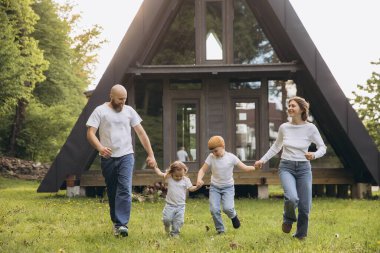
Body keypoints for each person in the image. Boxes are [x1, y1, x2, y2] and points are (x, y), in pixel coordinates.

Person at [86, 84, 157, 237]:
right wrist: (100, 147)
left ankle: (122, 224)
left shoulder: (129, 111)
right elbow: (90, 133)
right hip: (107, 157)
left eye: (125, 99)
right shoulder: (100, 110)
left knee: (124, 188)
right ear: (111, 96)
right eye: (120, 99)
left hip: (126, 155)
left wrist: (150, 154)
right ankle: (116, 222)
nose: (123, 102)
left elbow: (141, 133)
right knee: (112, 190)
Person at [254, 96, 326, 240]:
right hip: (286, 166)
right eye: (289, 105)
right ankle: (288, 219)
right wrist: (262, 160)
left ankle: (300, 236)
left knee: (305, 207)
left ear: (301, 109)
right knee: (292, 198)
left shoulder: (310, 128)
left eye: (293, 106)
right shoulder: (284, 127)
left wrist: (314, 155)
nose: (290, 108)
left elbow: (322, 147)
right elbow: (276, 147)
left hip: (304, 168)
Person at [196, 136, 256, 234]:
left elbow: (245, 168)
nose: (214, 153)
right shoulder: (211, 157)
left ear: (223, 146)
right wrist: (199, 179)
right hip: (215, 187)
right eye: (212, 151)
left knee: (227, 208)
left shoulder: (231, 157)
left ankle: (233, 216)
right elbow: (202, 170)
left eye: (216, 151)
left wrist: (255, 168)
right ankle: (220, 230)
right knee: (214, 210)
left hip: (228, 187)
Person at [152, 161, 201, 237]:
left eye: (181, 176)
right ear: (172, 173)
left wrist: (197, 187)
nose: (178, 178)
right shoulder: (169, 177)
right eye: (176, 176)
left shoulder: (185, 180)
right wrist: (155, 167)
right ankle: (167, 226)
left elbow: (191, 188)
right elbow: (160, 173)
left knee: (179, 221)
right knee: (167, 220)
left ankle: (175, 233)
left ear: (184, 173)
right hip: (170, 205)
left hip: (180, 206)